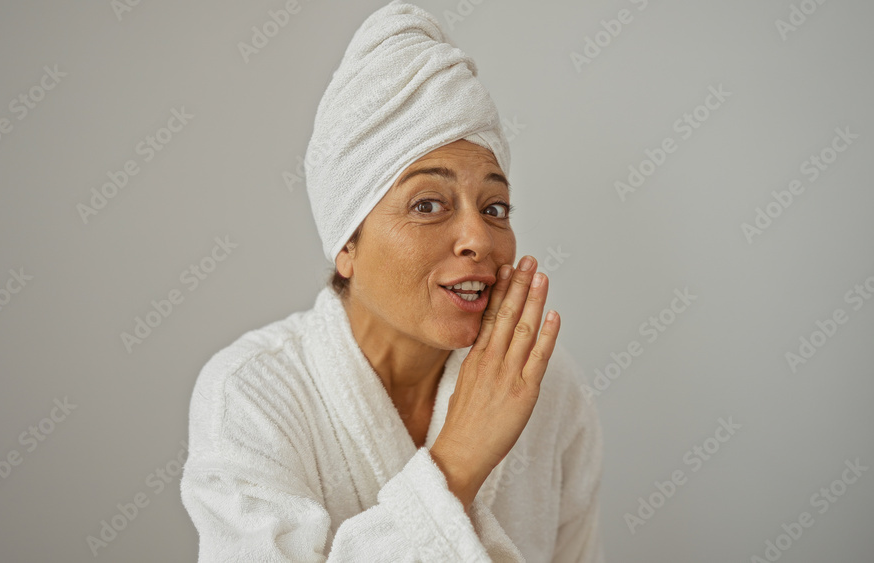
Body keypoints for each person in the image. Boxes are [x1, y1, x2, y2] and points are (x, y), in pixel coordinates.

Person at [180, 2, 604, 561]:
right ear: (346, 244)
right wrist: (459, 460)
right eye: (428, 204)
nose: (479, 238)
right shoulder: (251, 393)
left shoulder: (545, 385)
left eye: (495, 207)